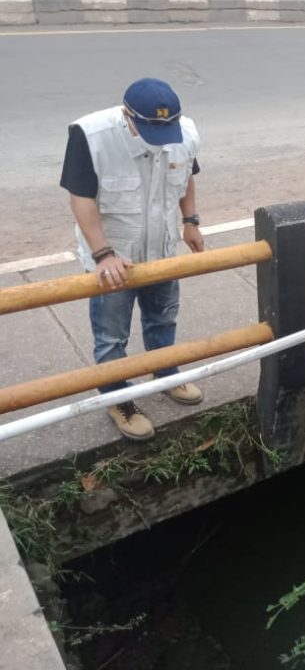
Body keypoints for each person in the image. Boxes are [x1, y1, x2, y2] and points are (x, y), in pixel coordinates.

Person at [59, 79, 205, 441]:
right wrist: (103, 254)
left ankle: (164, 371)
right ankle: (117, 397)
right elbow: (81, 198)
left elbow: (185, 176)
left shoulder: (183, 132)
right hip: (114, 257)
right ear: (128, 117)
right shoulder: (91, 135)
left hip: (161, 249)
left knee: (163, 318)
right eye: (151, 130)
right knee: (111, 335)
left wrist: (190, 223)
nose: (161, 138)